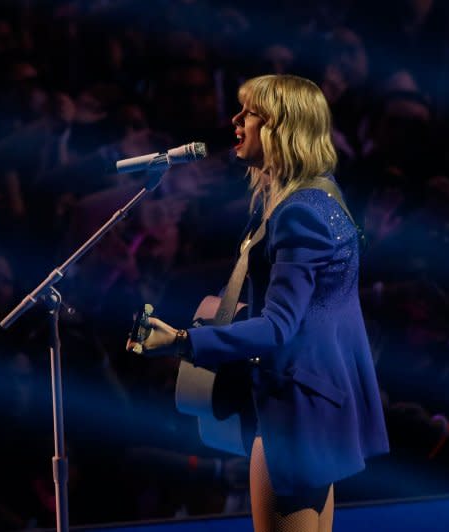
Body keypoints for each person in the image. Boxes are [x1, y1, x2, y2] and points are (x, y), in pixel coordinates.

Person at [127, 74, 389, 532]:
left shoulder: (299, 213)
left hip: (297, 409)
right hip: (317, 398)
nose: (235, 119)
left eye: (250, 112)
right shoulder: (311, 196)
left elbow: (279, 327)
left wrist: (184, 341)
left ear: (282, 128)